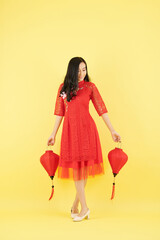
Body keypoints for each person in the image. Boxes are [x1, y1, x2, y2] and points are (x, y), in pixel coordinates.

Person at [47, 57, 121, 221]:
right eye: (79, 70)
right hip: (70, 132)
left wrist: (112, 130)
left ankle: (84, 208)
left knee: (82, 170)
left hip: (87, 131)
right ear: (72, 70)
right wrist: (53, 134)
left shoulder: (90, 87)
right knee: (77, 169)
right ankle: (77, 206)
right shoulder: (63, 88)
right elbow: (59, 113)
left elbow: (102, 109)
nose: (82, 73)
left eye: (84, 69)